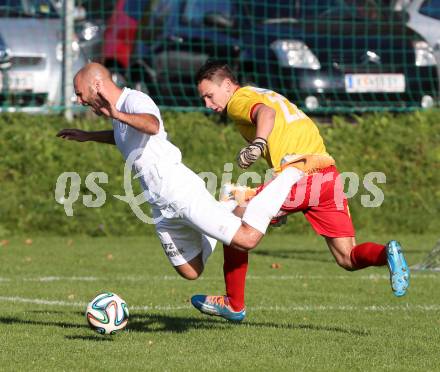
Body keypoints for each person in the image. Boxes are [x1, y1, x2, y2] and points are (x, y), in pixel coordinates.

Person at [57, 62, 333, 321]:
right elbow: (123, 136)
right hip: (159, 203)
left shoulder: (133, 101)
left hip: (178, 191)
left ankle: (235, 208)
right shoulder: (117, 110)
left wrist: (116, 114)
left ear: (96, 85)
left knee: (245, 240)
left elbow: (151, 125)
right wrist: (89, 135)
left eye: (80, 94)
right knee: (190, 270)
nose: (79, 100)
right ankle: (222, 210)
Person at [191, 60, 410, 321]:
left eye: (209, 95)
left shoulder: (239, 100)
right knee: (347, 257)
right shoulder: (262, 92)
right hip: (326, 174)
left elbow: (266, 114)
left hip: (299, 174)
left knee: (235, 220)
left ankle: (234, 303)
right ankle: (388, 253)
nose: (207, 103)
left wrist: (258, 144)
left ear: (227, 85)